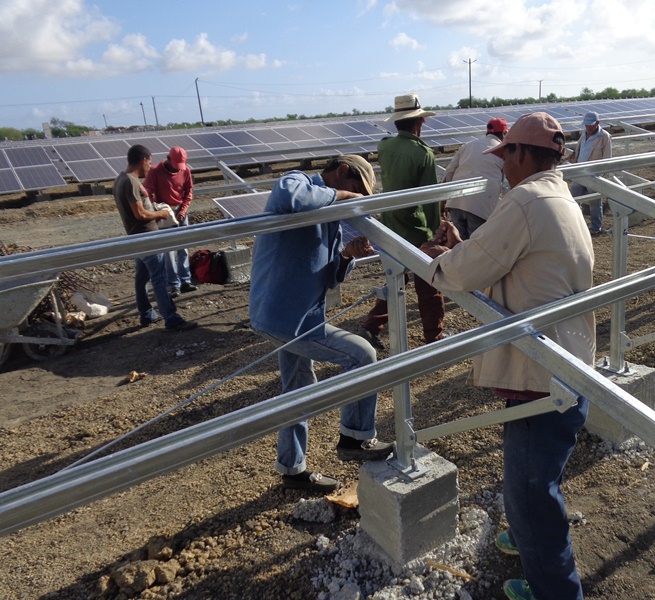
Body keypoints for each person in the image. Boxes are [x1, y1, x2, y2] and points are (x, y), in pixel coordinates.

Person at [421, 113, 595, 600]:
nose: (501, 168)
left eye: (505, 157)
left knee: (531, 492)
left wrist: (433, 259)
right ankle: (525, 539)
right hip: (567, 358)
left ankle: (556, 590)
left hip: (541, 370)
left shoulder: (525, 200)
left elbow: (464, 273)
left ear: (521, 153)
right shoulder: (559, 195)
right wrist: (469, 250)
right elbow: (506, 258)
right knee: (540, 468)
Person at [249, 155, 394, 493]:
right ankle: (355, 437)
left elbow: (329, 278)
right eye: (355, 189)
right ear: (342, 171)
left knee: (297, 389)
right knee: (361, 354)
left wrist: (346, 256)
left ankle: (292, 468)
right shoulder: (297, 182)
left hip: (295, 315)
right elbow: (292, 199)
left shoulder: (328, 216)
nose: (353, 198)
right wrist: (344, 198)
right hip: (287, 319)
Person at [360, 93, 446, 349]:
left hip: (390, 221)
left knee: (396, 277)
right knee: (429, 282)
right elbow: (429, 198)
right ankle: (435, 337)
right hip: (415, 225)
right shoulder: (423, 154)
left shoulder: (385, 147)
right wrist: (434, 232)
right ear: (418, 122)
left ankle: (371, 327)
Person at [113, 144, 198, 332]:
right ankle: (171, 318)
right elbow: (140, 214)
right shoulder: (131, 182)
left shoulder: (119, 179)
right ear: (143, 160)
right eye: (148, 163)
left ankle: (146, 314)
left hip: (136, 237)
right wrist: (159, 214)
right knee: (159, 278)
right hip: (146, 236)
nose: (149, 167)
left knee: (141, 278)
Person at [144, 146, 198, 297]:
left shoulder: (185, 170)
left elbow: (188, 192)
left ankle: (186, 280)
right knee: (169, 251)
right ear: (168, 159)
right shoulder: (154, 172)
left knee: (184, 247)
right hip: (165, 213)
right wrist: (158, 211)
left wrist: (182, 210)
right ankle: (174, 284)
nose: (177, 170)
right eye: (175, 167)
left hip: (180, 210)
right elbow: (147, 193)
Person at [442, 117, 507, 239]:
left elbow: (449, 172)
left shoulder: (468, 145)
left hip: (456, 202)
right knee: (477, 247)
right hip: (480, 207)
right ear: (504, 133)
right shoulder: (501, 151)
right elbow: (508, 181)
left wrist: (444, 199)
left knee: (458, 245)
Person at [568, 111, 612, 236]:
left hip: (593, 175)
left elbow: (608, 159)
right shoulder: (584, 134)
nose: (588, 127)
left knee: (595, 202)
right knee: (573, 198)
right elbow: (581, 149)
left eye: (590, 125)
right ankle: (577, 223)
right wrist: (574, 156)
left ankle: (596, 227)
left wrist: (599, 177)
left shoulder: (604, 136)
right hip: (580, 172)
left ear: (597, 123)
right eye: (586, 125)